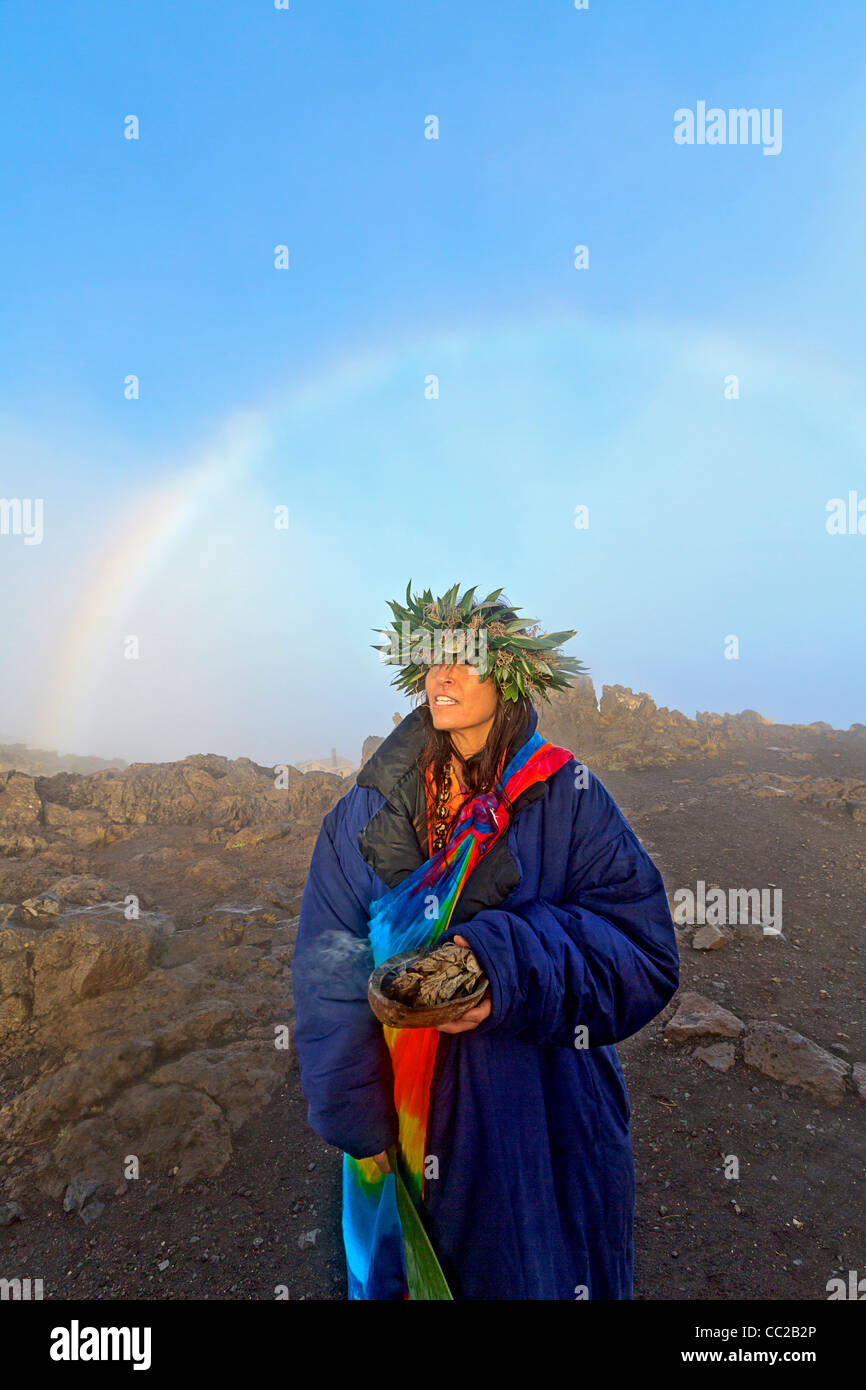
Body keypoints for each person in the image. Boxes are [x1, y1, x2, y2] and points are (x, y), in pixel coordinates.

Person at [292, 583, 680, 1299]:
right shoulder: (363, 816)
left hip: (544, 1116)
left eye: (463, 661)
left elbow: (643, 950)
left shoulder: (571, 798)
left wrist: (503, 963)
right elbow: (329, 963)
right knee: (417, 1274)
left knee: (539, 1270)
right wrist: (353, 1112)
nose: (441, 676)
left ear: (512, 675)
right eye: (430, 662)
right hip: (408, 1125)